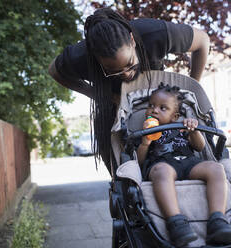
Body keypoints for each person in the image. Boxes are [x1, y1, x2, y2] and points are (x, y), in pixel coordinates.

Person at [48, 7, 210, 171]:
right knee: (120, 169)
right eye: (113, 71)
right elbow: (54, 71)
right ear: (97, 60)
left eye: (130, 63)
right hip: (113, 107)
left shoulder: (155, 34)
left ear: (132, 41)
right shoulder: (80, 57)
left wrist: (192, 85)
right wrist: (100, 96)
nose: (126, 74)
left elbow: (202, 41)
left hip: (155, 98)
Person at [137, 83, 231, 247]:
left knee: (216, 168)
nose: (154, 110)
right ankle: (176, 223)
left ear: (174, 117)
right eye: (151, 106)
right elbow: (140, 161)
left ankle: (218, 219)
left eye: (163, 108)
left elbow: (199, 147)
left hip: (188, 162)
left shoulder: (182, 126)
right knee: (161, 171)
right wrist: (145, 144)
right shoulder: (145, 132)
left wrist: (194, 131)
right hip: (162, 164)